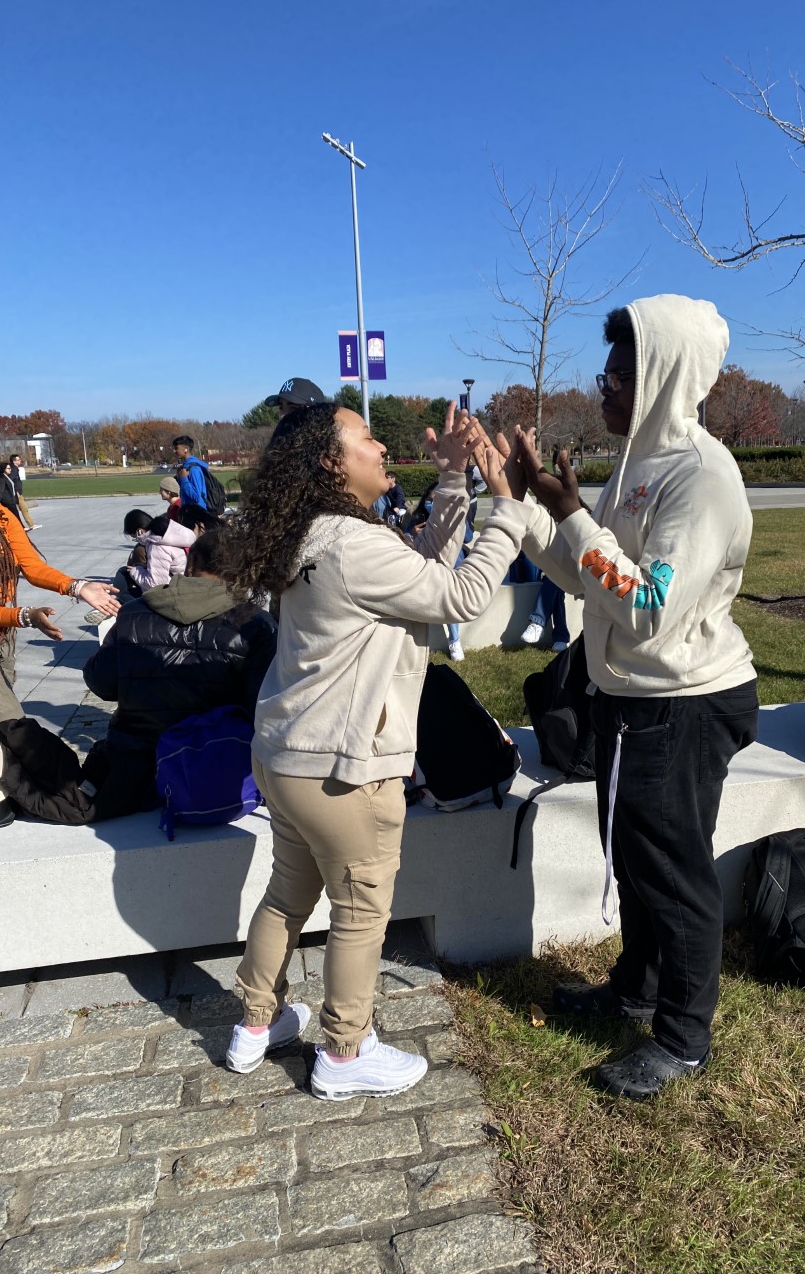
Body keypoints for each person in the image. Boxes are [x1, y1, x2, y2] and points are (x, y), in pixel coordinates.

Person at [218, 400, 530, 1097]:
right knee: (360, 914)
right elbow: (458, 596)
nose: (381, 445)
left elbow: (418, 575)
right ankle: (344, 1054)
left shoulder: (313, 532)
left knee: (285, 897)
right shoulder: (354, 544)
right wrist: (507, 506)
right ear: (332, 461)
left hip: (286, 757)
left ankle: (253, 1027)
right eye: (365, 437)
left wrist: (451, 480)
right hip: (341, 771)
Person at [511, 295, 759, 1101]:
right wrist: (526, 504)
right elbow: (593, 582)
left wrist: (576, 515)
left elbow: (649, 606)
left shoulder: (702, 477)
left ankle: (683, 1038)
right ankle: (637, 987)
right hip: (630, 694)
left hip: (683, 700)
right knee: (636, 855)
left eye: (621, 375)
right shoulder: (636, 466)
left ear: (661, 377)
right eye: (606, 373)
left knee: (671, 869)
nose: (606, 389)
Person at [81, 530, 277, 819]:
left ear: (190, 564)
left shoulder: (134, 612)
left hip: (136, 772)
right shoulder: (256, 624)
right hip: (216, 771)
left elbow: (101, 683)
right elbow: (262, 709)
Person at [0, 460, 120, 724]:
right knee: (11, 723)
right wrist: (26, 616)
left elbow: (33, 568)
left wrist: (78, 586)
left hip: (0, 634)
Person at [406, 483, 465, 661]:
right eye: (429, 500)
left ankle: (455, 640)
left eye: (436, 501)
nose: (431, 504)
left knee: (447, 596)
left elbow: (467, 536)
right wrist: (413, 534)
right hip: (424, 566)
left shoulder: (450, 518)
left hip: (449, 567)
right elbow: (404, 542)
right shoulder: (417, 517)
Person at [172, 436, 211, 510]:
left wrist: (183, 479)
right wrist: (179, 478)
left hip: (197, 514)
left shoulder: (194, 469)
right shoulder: (185, 467)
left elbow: (196, 497)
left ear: (186, 449)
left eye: (176, 448)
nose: (174, 451)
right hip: (189, 512)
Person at [7, 454, 40, 530]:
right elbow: (10, 480)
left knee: (22, 509)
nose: (20, 461)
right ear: (14, 461)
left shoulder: (13, 468)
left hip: (17, 492)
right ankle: (31, 524)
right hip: (16, 492)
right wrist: (15, 491)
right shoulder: (14, 469)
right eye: (18, 460)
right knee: (24, 508)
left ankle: (30, 523)